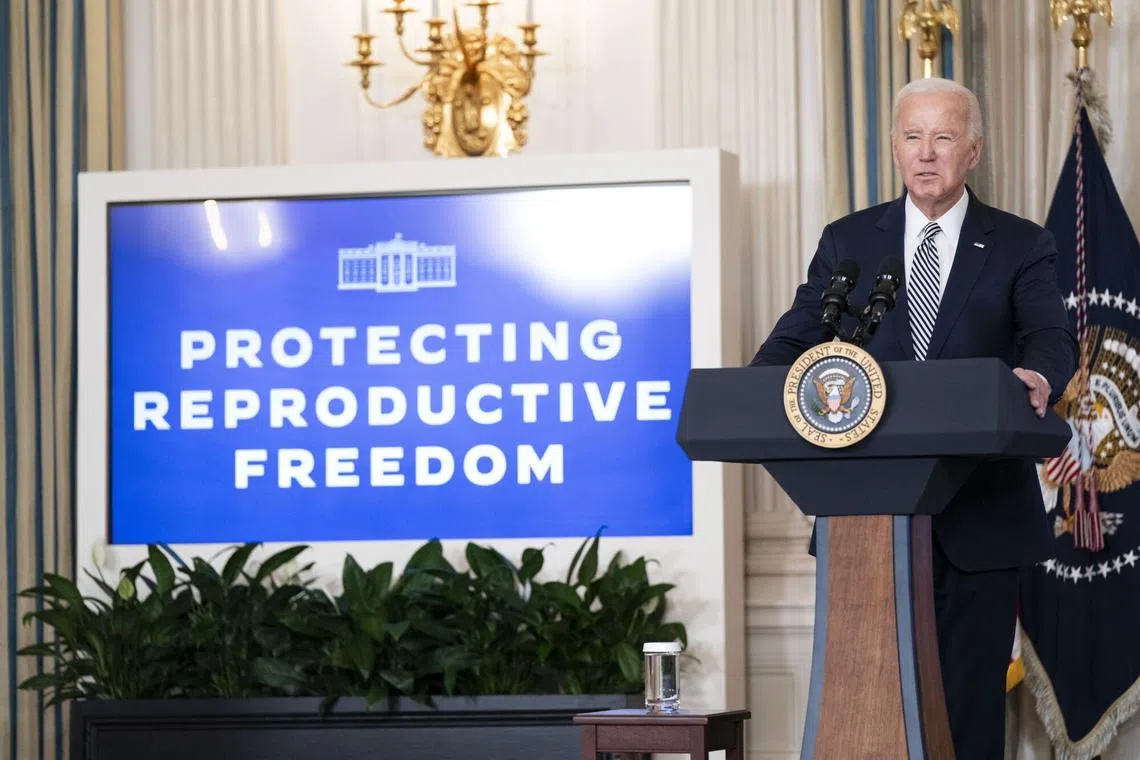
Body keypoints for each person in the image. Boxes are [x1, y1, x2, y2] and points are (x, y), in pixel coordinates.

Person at [748, 77, 1078, 759]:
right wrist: (758, 389)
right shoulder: (849, 242)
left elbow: (1051, 337)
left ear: (974, 151)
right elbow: (798, 336)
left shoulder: (1021, 244)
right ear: (894, 148)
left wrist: (1037, 377)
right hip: (863, 531)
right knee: (863, 717)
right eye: (911, 136)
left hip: (979, 527)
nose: (927, 153)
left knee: (965, 723)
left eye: (944, 136)